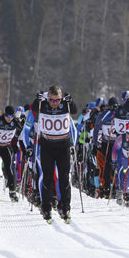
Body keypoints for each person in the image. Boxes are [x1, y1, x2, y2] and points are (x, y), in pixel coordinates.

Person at [32, 85, 77, 222]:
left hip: (63, 146)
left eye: (57, 100)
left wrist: (71, 101)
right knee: (47, 177)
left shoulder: (65, 104)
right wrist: (37, 100)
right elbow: (34, 109)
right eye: (52, 100)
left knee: (64, 178)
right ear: (48, 98)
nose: (55, 103)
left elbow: (74, 110)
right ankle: (46, 207)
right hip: (47, 146)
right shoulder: (42, 105)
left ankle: (65, 207)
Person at [0, 106, 23, 202]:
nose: (9, 118)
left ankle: (12, 191)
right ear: (4, 114)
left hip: (6, 146)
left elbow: (22, 131)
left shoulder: (15, 121)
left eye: (11, 116)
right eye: (7, 116)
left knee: (9, 168)